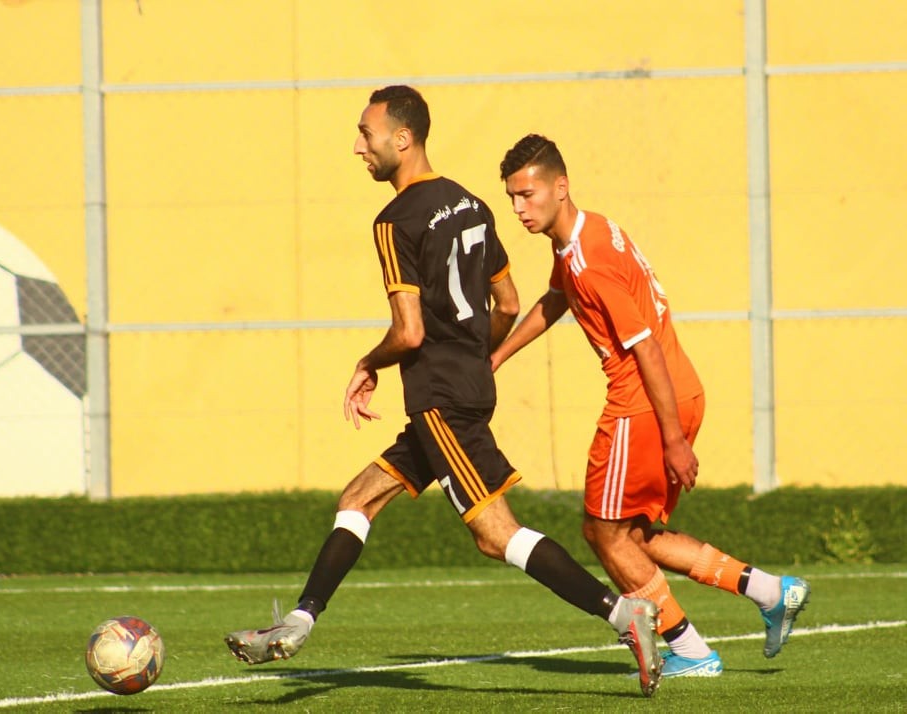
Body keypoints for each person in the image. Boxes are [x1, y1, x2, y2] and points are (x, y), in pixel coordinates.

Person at [225, 87, 663, 697]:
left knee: (495, 534)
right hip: (462, 389)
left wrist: (369, 362)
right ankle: (298, 621)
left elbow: (409, 332)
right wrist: (471, 359)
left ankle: (623, 613)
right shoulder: (473, 204)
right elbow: (506, 304)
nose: (358, 147)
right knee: (359, 498)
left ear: (402, 139)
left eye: (366, 134)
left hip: (439, 398)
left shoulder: (393, 222)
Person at [491, 134, 811, 678]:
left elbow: (646, 350)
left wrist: (673, 441)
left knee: (603, 533)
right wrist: (498, 355)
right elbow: (556, 298)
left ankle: (691, 651)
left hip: (642, 402)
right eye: (512, 198)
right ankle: (771, 592)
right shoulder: (585, 235)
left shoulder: (589, 259)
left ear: (560, 187)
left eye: (528, 194)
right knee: (634, 535)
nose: (519, 208)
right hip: (680, 392)